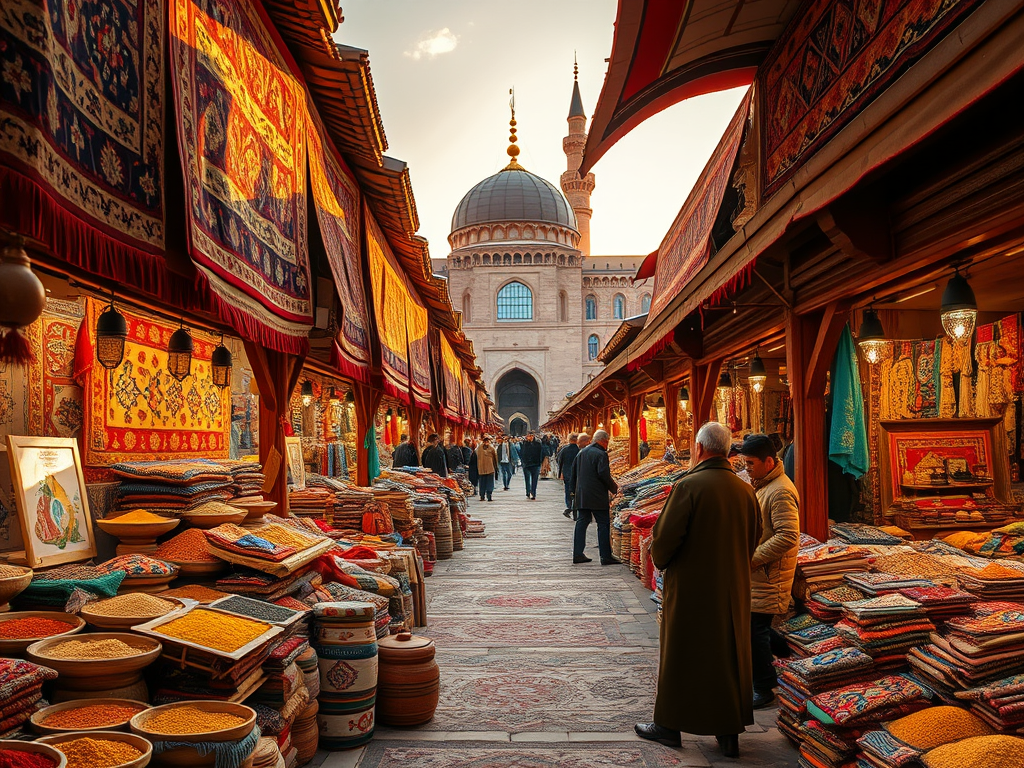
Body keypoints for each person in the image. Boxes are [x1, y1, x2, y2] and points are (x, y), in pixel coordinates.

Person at [635, 422, 761, 759]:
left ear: (700, 449)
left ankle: (669, 726)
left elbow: (662, 545)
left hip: (692, 588)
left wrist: (664, 561)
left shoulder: (688, 486)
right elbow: (754, 539)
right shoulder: (745, 490)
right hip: (733, 588)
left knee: (682, 655)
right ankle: (728, 732)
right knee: (728, 656)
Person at [738, 433, 800, 710]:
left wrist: (752, 559)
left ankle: (764, 688)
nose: (747, 468)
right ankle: (789, 652)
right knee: (755, 626)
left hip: (768, 574)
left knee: (755, 630)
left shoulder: (780, 491)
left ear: (768, 461)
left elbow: (788, 536)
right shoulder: (765, 485)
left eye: (750, 463)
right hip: (759, 572)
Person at [572, 430, 618, 565]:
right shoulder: (601, 454)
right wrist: (614, 488)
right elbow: (603, 473)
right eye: (607, 442)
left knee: (582, 523)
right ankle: (605, 556)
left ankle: (578, 553)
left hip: (582, 494)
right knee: (603, 524)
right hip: (597, 495)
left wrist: (573, 491)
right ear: (604, 441)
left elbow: (574, 472)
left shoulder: (582, 452)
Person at [557, 434, 581, 519]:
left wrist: (560, 473)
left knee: (568, 491)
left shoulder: (564, 449)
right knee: (577, 492)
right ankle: (575, 509)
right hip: (578, 474)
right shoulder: (580, 450)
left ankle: (569, 506)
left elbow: (559, 461)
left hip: (567, 473)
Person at [518, 432, 543, 500]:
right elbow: (522, 452)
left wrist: (540, 461)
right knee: (527, 479)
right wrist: (523, 461)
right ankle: (528, 492)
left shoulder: (538, 443)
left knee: (534, 479)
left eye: (529, 436)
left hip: (536, 464)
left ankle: (533, 493)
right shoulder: (524, 443)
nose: (528, 437)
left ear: (532, 436)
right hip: (527, 464)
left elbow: (541, 453)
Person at [475, 437, 498, 502]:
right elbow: (495, 459)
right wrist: (496, 468)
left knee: (482, 483)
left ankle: (482, 496)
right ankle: (489, 495)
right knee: (489, 483)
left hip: (481, 469)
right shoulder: (492, 448)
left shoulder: (478, 448)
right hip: (490, 469)